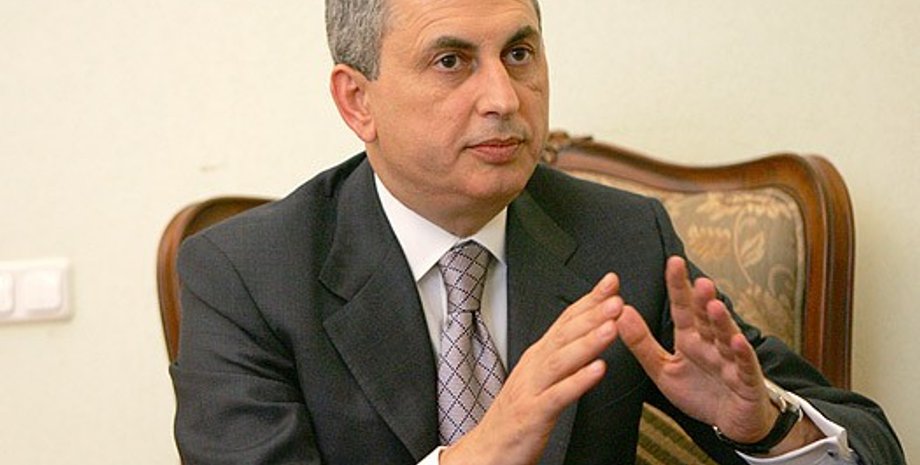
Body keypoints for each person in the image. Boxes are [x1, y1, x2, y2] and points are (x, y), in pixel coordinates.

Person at [169, 0, 905, 464]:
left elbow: (868, 439)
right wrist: (480, 453)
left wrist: (765, 426)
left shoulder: (622, 237)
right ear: (357, 101)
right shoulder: (245, 274)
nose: (503, 97)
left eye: (518, 54)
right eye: (452, 61)